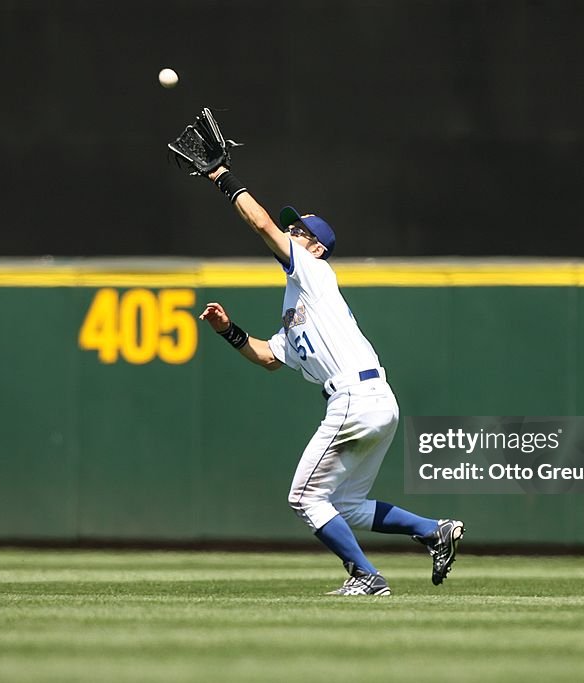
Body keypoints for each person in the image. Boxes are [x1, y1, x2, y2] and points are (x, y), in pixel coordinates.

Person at [195, 163, 464, 596]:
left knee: (303, 498)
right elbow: (267, 356)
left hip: (355, 397)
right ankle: (435, 531)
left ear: (316, 248)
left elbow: (261, 222)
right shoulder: (297, 308)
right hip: (376, 401)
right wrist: (229, 330)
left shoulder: (314, 274)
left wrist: (222, 177)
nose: (291, 234)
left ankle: (366, 576)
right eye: (293, 230)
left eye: (299, 232)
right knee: (345, 506)